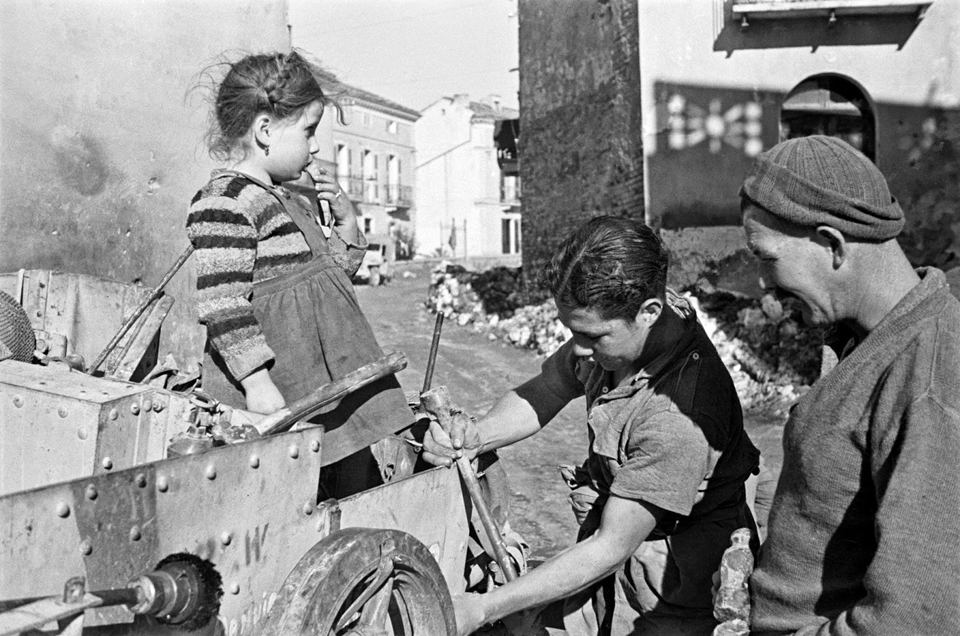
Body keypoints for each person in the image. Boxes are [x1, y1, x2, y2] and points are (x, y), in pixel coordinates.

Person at [423, 216, 761, 636]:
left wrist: (484, 607)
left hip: (671, 579)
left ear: (650, 312)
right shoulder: (623, 328)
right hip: (611, 549)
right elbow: (549, 387)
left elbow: (610, 547)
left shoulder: (680, 416)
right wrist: (478, 435)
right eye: (571, 330)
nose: (578, 347)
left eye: (592, 335)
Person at [739, 135, 960, 635]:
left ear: (832, 245)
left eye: (766, 257)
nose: (761, 282)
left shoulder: (929, 378)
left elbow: (915, 618)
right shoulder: (866, 339)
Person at [185, 51, 413, 494]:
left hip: (329, 382)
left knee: (344, 485)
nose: (315, 147)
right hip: (282, 386)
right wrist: (256, 382)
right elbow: (222, 303)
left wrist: (347, 223)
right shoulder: (225, 203)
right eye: (308, 131)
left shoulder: (290, 198)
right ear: (265, 130)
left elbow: (330, 281)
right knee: (288, 491)